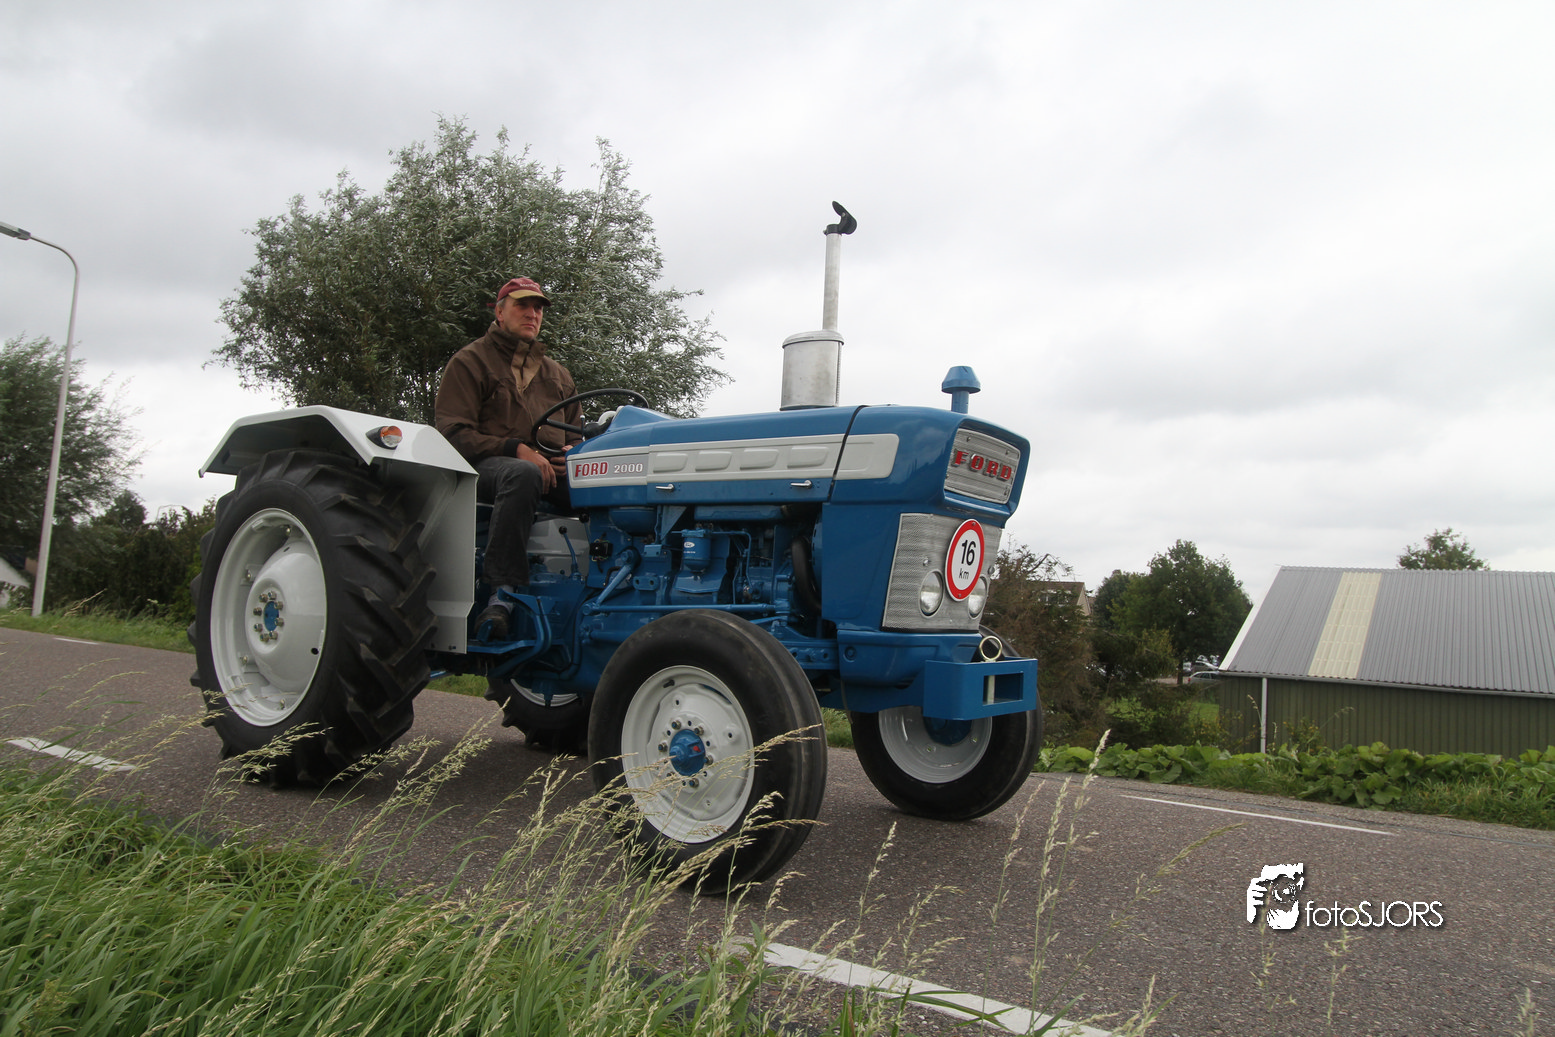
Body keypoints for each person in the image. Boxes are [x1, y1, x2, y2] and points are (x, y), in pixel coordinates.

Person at [435, 276, 581, 642]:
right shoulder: (470, 362)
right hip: (483, 468)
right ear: (499, 313)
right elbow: (453, 434)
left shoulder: (558, 375)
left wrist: (574, 454)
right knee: (522, 474)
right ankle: (502, 596)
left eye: (538, 308)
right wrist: (516, 448)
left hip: (548, 471)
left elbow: (576, 435)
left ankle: (605, 587)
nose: (532, 314)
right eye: (522, 305)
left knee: (604, 485)